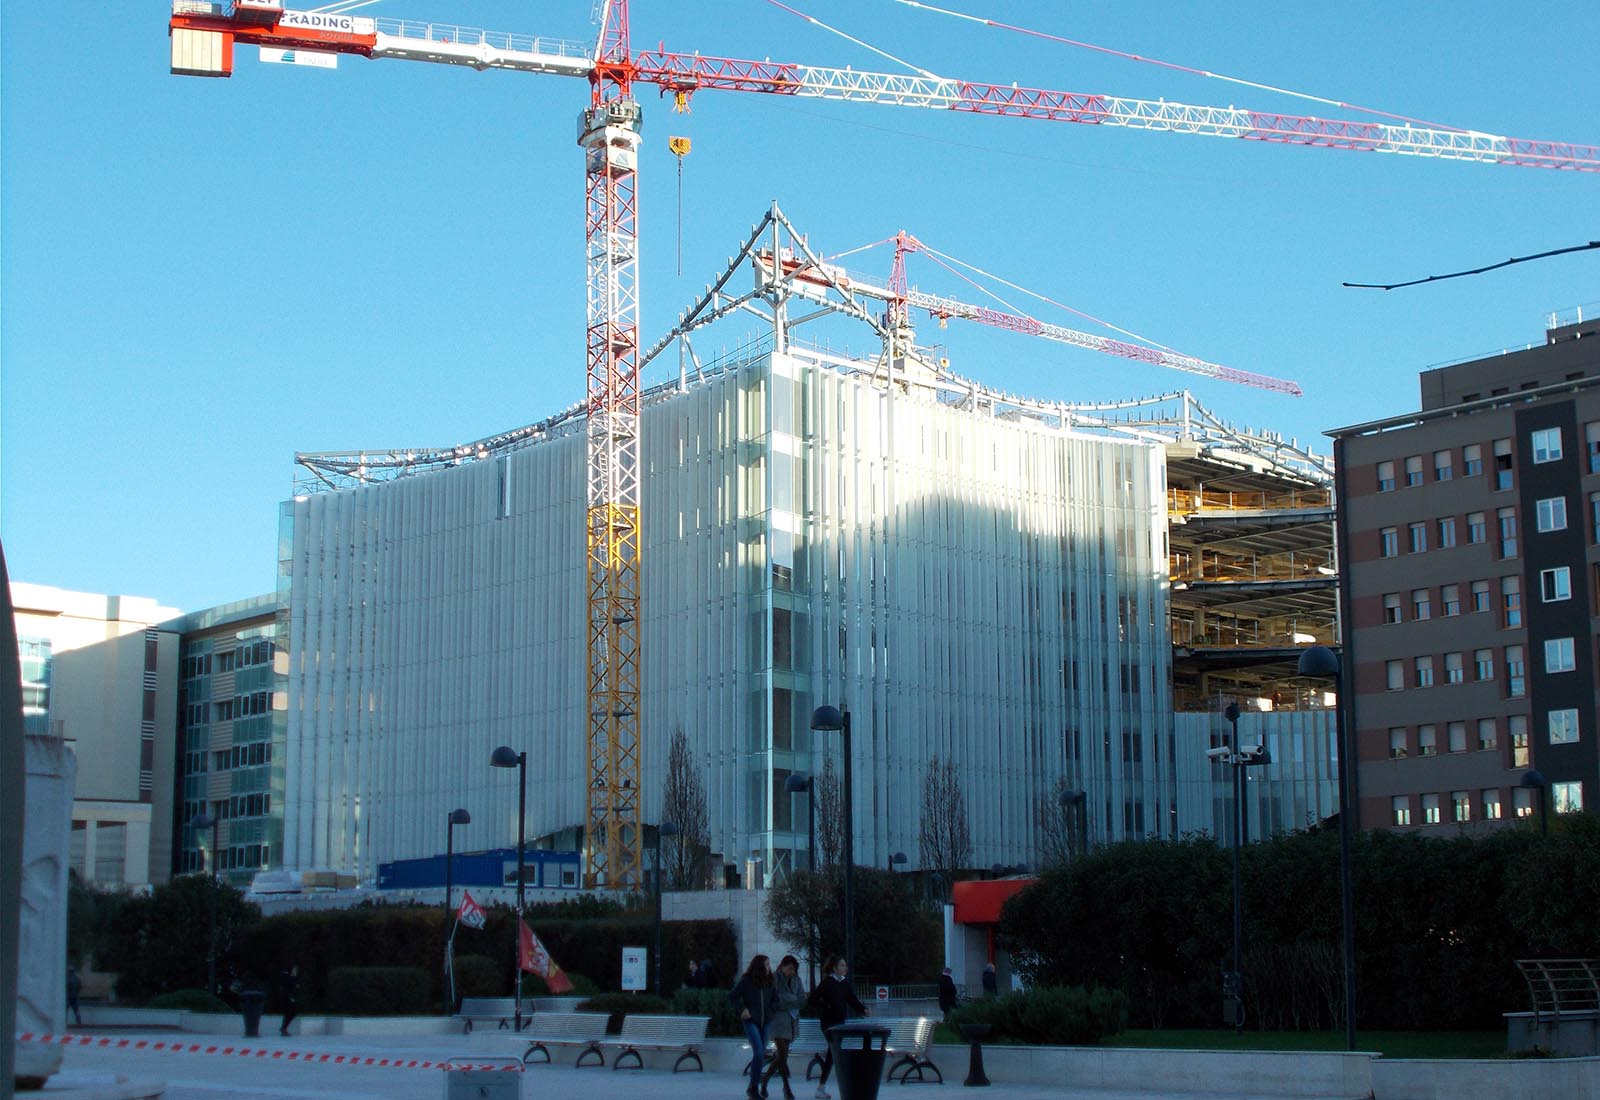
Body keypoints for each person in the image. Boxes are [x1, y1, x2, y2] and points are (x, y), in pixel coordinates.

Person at [811, 955, 866, 1100]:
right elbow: (812, 1000)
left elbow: (852, 1000)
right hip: (829, 1024)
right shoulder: (827, 983)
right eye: (842, 965)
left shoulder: (844, 984)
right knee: (833, 1053)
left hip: (839, 1024)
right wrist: (826, 1006)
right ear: (835, 968)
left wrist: (863, 1010)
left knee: (833, 1054)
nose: (845, 968)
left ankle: (821, 1088)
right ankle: (822, 1088)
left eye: (845, 965)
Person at [729, 954, 776, 1099]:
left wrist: (771, 1011)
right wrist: (742, 1009)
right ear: (759, 966)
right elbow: (733, 996)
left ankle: (752, 1087)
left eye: (769, 964)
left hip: (766, 1021)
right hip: (751, 1021)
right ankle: (754, 1088)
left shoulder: (770, 981)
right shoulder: (747, 980)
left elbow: (776, 999)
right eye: (767, 964)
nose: (769, 967)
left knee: (761, 1055)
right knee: (758, 1052)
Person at [761, 955, 805, 1100]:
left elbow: (801, 999)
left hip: (791, 1021)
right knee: (783, 1054)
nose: (792, 971)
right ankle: (786, 1088)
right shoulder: (774, 979)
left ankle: (765, 1081)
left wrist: (788, 999)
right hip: (777, 1022)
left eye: (794, 969)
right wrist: (791, 999)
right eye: (789, 968)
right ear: (782, 966)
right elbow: (775, 1000)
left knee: (781, 1057)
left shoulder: (797, 980)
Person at [278, 965, 300, 1036]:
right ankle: (283, 1028)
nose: (295, 972)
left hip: (290, 997)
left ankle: (283, 1028)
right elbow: (287, 988)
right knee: (289, 1012)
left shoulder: (293, 978)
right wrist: (291, 997)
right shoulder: (288, 978)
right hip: (287, 998)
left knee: (290, 1013)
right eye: (294, 970)